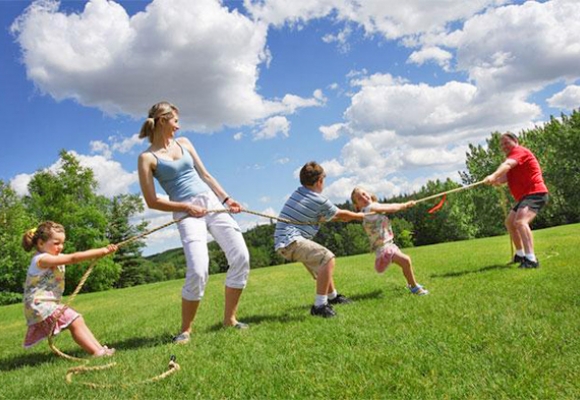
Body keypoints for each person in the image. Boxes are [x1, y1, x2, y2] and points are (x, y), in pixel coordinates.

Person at [138, 101, 250, 344]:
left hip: (211, 202)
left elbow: (206, 175)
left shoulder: (185, 143)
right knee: (199, 269)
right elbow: (151, 201)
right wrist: (185, 207)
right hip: (185, 211)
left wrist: (227, 199)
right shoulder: (147, 158)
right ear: (163, 120)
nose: (178, 126)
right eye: (175, 121)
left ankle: (230, 319)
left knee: (241, 256)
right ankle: (186, 330)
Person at [274, 161, 364, 318]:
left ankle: (332, 297)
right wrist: (363, 216)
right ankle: (320, 306)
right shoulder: (318, 199)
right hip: (291, 241)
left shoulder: (299, 193)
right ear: (320, 180)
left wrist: (341, 217)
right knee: (327, 258)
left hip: (286, 241)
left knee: (322, 268)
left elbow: (328, 217)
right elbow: (341, 215)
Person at [22, 221, 117, 356]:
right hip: (39, 305)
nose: (60, 247)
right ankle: (97, 352)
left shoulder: (52, 256)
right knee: (74, 320)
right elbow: (73, 258)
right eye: (56, 243)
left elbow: (76, 256)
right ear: (41, 243)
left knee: (77, 320)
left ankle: (100, 349)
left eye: (62, 243)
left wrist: (100, 253)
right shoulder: (42, 259)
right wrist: (102, 251)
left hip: (44, 304)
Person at [483, 132, 549, 268]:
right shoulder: (513, 159)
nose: (504, 146)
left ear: (515, 141)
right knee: (510, 223)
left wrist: (493, 175)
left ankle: (531, 259)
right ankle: (520, 254)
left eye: (506, 142)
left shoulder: (519, 152)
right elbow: (505, 178)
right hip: (525, 196)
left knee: (520, 222)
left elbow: (506, 165)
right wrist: (494, 180)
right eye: (501, 144)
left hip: (535, 193)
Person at [351, 187, 429, 295]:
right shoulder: (371, 207)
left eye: (364, 194)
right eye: (359, 198)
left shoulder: (367, 211)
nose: (364, 198)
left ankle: (411, 283)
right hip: (384, 248)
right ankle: (414, 288)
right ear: (357, 206)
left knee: (405, 263)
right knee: (406, 261)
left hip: (387, 245)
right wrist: (405, 205)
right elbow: (391, 207)